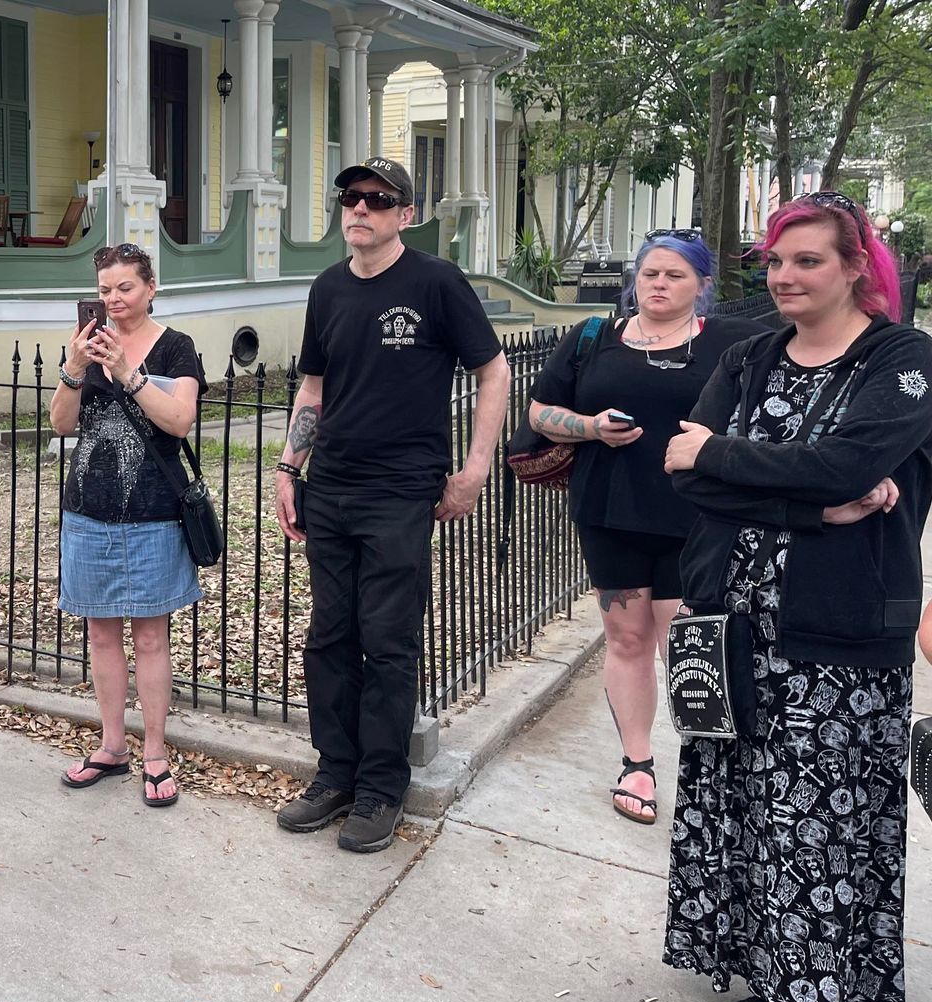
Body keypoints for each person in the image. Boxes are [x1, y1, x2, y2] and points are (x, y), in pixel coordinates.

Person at [663, 189, 932, 1002]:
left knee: (818, 849)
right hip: (735, 636)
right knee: (747, 829)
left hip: (840, 652)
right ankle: (774, 994)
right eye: (775, 262)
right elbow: (682, 470)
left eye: (807, 260)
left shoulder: (902, 363)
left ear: (856, 266)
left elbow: (845, 466)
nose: (784, 277)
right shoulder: (744, 356)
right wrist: (810, 509)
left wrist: (744, 467)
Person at [272, 156, 510, 853]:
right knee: (329, 637)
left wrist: (473, 470)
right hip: (334, 485)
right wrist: (290, 466)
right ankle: (336, 773)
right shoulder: (328, 289)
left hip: (403, 489)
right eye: (351, 197)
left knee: (388, 638)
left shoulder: (435, 283)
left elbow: (492, 372)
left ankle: (382, 787)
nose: (361, 209)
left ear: (405, 214)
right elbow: (312, 388)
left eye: (378, 199)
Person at [525, 232, 760, 824]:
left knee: (687, 647)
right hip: (610, 514)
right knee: (627, 639)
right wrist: (588, 426)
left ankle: (708, 769)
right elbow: (539, 411)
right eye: (650, 273)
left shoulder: (734, 344)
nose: (658, 284)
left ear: (702, 286)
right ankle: (637, 763)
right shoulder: (594, 338)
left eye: (675, 275)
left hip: (696, 520)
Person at [50, 242, 206, 809]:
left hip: (154, 514)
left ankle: (156, 753)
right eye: (106, 289)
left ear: (150, 288)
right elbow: (63, 424)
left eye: (126, 288)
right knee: (100, 633)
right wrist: (74, 368)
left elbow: (181, 421)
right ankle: (112, 745)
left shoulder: (176, 347)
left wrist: (127, 372)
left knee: (150, 636)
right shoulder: (88, 347)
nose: (114, 300)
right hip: (88, 512)